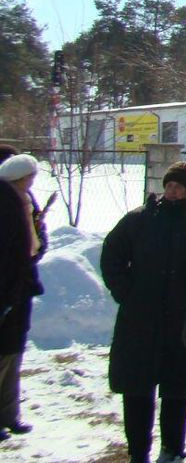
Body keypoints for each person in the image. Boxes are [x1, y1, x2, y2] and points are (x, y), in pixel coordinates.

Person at [101, 162, 186, 463]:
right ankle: (138, 451)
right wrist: (125, 292)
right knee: (137, 389)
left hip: (180, 319)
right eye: (171, 186)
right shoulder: (139, 219)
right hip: (140, 319)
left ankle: (172, 448)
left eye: (181, 188)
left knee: (177, 389)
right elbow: (112, 255)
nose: (174, 192)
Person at [0, 152, 45, 442]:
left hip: (20, 288)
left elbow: (37, 244)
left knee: (13, 354)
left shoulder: (25, 201)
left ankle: (9, 414)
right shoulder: (6, 204)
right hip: (6, 289)